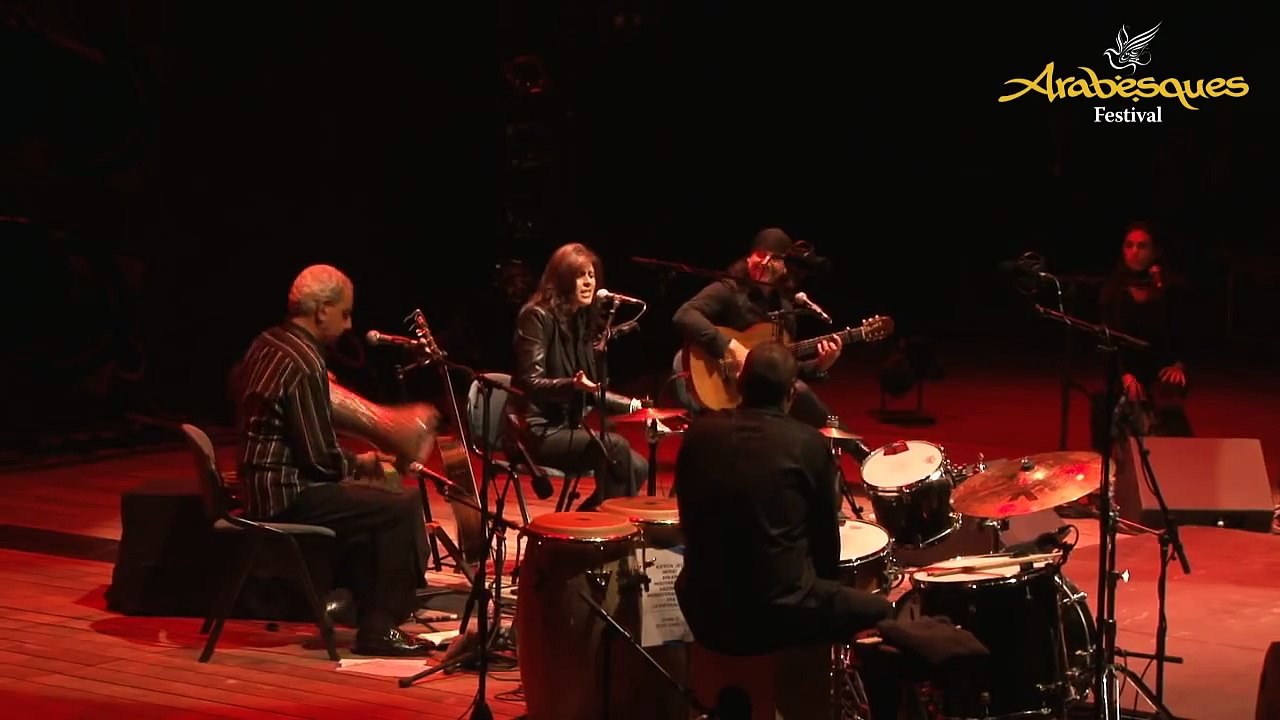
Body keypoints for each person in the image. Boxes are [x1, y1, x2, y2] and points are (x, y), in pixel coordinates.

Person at [674, 342, 986, 719]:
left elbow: (689, 521)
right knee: (882, 611)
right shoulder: (807, 444)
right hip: (770, 616)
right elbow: (826, 552)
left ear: (740, 384)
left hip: (701, 605)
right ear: (791, 395)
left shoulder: (698, 434)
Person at [233, 264, 433, 656]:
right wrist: (361, 464)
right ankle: (380, 627)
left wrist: (354, 467)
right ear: (322, 310)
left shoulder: (268, 342)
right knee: (399, 505)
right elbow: (319, 460)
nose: (348, 324)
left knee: (368, 505)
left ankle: (359, 604)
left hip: (261, 485)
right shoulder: (305, 363)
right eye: (345, 313)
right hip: (284, 495)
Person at [671, 227, 870, 461]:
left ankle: (860, 454)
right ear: (749, 257)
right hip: (719, 384)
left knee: (798, 391)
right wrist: (729, 346)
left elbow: (783, 368)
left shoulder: (785, 306)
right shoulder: (729, 289)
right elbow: (684, 314)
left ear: (784, 266)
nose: (764, 262)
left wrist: (820, 365)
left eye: (772, 258)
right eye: (759, 255)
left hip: (758, 392)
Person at [506, 242, 649, 510]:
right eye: (580, 275)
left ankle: (586, 526)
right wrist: (572, 386)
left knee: (638, 467)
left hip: (564, 428)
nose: (588, 283)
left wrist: (638, 407)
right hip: (535, 432)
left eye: (591, 275)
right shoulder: (535, 316)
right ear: (562, 279)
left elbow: (592, 389)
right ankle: (604, 532)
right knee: (616, 449)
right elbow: (530, 381)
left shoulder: (581, 321)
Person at [1090, 221, 1192, 448]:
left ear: (1155, 252)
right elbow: (1110, 341)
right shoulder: (1112, 291)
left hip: (1160, 366)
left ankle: (1171, 458)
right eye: (1129, 245)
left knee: (1168, 392)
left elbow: (1184, 334)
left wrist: (1179, 364)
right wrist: (1125, 374)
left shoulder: (1172, 290)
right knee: (1103, 402)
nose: (1134, 252)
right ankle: (1111, 461)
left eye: (1142, 246)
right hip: (1125, 366)